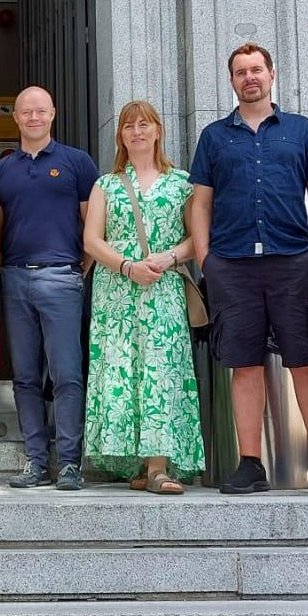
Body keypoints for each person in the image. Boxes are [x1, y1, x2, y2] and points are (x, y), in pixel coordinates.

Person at [188, 43, 308, 499]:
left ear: (272, 75)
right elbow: (201, 203)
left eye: (256, 69)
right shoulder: (214, 137)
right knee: (245, 365)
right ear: (232, 81)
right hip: (232, 264)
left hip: (293, 261)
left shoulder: (300, 131)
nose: (249, 77)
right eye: (241, 72)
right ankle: (250, 464)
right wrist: (206, 257)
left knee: (306, 362)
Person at [82, 100, 204, 493]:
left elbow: (198, 237)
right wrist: (126, 266)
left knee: (160, 369)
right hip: (116, 290)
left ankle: (158, 466)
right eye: (129, 126)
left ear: (158, 131)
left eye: (144, 124)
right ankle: (135, 463)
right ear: (120, 136)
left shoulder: (181, 183)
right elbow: (91, 240)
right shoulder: (105, 184)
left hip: (163, 286)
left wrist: (169, 257)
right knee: (121, 369)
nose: (136, 132)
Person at [0, 86, 98, 491]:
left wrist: (79, 269)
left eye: (40, 111)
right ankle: (35, 461)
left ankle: (68, 463)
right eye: (26, 112)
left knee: (67, 374)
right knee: (26, 376)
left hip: (62, 277)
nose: (33, 117)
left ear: (53, 114)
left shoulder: (77, 163)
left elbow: (93, 224)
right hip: (15, 279)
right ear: (15, 118)